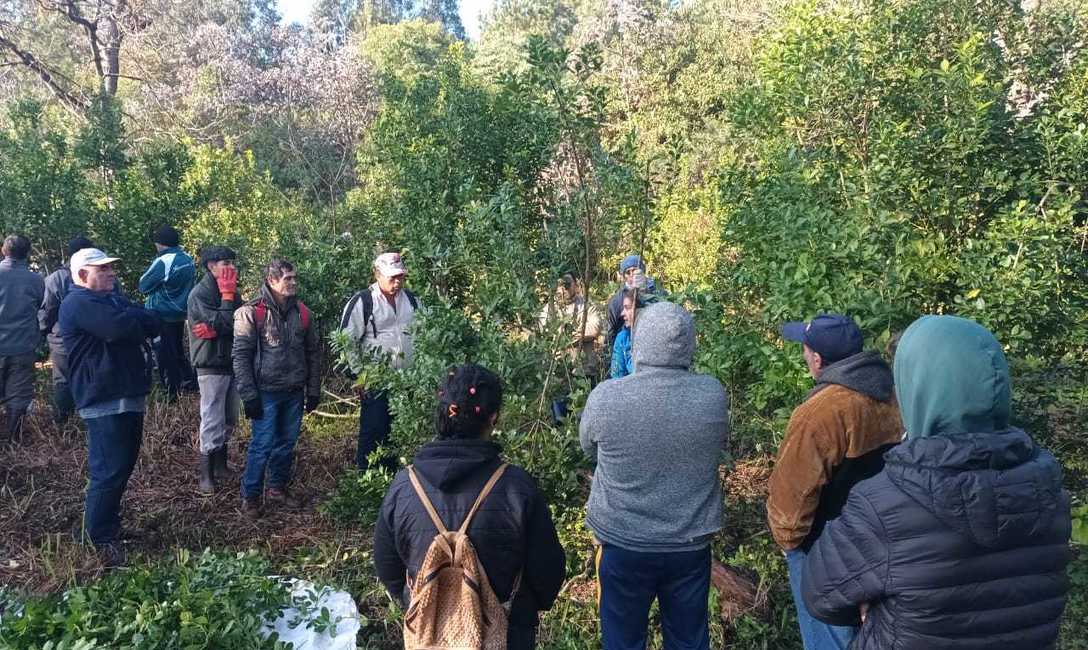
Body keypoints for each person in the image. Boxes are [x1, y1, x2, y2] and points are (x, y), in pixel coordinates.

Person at [802, 315, 1072, 649]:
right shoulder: (1048, 491)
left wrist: (872, 607)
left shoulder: (883, 503)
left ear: (916, 389)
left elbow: (820, 596)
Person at [373, 364, 566, 649]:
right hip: (506, 634)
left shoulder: (404, 487)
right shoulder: (516, 486)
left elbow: (387, 565)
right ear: (493, 417)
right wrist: (521, 613)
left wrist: (424, 602)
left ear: (442, 414)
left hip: (430, 636)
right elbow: (547, 571)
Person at [580, 302, 730, 650]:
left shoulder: (606, 397)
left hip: (622, 542)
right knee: (689, 641)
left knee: (622, 641)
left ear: (639, 343)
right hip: (689, 545)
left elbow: (589, 449)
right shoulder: (712, 394)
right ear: (689, 344)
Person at [767, 313, 902, 650]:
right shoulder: (895, 394)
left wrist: (789, 544)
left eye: (805, 349)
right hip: (889, 540)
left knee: (829, 637)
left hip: (827, 551)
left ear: (817, 359)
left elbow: (792, 496)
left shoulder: (820, 413)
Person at [59, 248, 161, 566]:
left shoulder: (110, 300)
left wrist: (131, 318)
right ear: (81, 275)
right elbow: (119, 328)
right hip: (103, 397)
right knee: (108, 470)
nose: (110, 273)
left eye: (110, 268)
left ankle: (108, 527)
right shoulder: (78, 302)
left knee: (122, 466)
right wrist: (132, 318)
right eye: (101, 269)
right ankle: (97, 538)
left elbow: (153, 322)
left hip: (126, 394)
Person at [233, 259, 321, 517]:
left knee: (286, 443)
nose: (293, 282)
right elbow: (241, 356)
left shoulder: (303, 313)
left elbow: (313, 353)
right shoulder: (251, 312)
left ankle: (276, 489)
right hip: (266, 392)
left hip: (294, 391)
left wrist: (313, 390)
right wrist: (249, 395)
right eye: (287, 278)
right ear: (271, 280)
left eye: (294, 278)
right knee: (262, 444)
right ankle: (250, 496)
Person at [339, 252, 420, 470]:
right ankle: (367, 478)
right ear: (377, 274)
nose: (397, 282)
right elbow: (346, 341)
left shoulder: (412, 300)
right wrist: (359, 376)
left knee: (400, 432)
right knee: (374, 432)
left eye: (400, 276)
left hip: (407, 380)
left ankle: (394, 477)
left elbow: (424, 335)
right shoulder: (363, 301)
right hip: (375, 381)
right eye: (392, 277)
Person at [187, 246, 241, 494]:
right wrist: (227, 299)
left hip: (229, 360)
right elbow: (225, 321)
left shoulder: (229, 290)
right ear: (211, 266)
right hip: (210, 362)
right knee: (212, 417)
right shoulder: (200, 293)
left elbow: (239, 322)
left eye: (232, 262)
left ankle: (220, 466)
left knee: (229, 417)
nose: (231, 267)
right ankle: (205, 475)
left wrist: (221, 325)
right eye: (225, 263)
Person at [38, 236, 99, 425]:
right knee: (92, 377)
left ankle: (63, 424)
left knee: (63, 381)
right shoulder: (101, 274)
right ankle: (90, 420)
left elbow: (47, 311)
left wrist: (44, 331)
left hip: (62, 340)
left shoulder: (56, 278)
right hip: (95, 338)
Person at [138, 225, 196, 399]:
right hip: (180, 312)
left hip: (161, 314)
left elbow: (143, 285)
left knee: (164, 354)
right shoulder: (187, 258)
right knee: (177, 350)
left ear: (160, 243)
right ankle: (190, 382)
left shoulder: (164, 261)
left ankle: (171, 392)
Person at [539, 273, 603, 422]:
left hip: (584, 372)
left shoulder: (586, 306)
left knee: (587, 418)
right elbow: (546, 332)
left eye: (567, 284)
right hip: (559, 374)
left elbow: (594, 328)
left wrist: (567, 335)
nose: (564, 289)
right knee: (560, 421)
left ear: (575, 284)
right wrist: (579, 333)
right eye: (561, 285)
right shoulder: (549, 310)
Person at [0, 235, 45, 442]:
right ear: (28, 253)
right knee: (18, 395)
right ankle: (13, 439)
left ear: (4, 250)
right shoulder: (36, 279)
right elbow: (40, 306)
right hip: (23, 345)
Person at [605, 254, 657, 347]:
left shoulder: (656, 292)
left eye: (634, 270)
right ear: (624, 276)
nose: (632, 275)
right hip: (627, 345)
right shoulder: (617, 300)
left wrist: (644, 290)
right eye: (628, 272)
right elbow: (611, 330)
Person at [609, 288, 641, 379]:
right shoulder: (623, 338)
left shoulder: (656, 336)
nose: (622, 313)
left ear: (640, 310)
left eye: (627, 308)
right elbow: (616, 378)